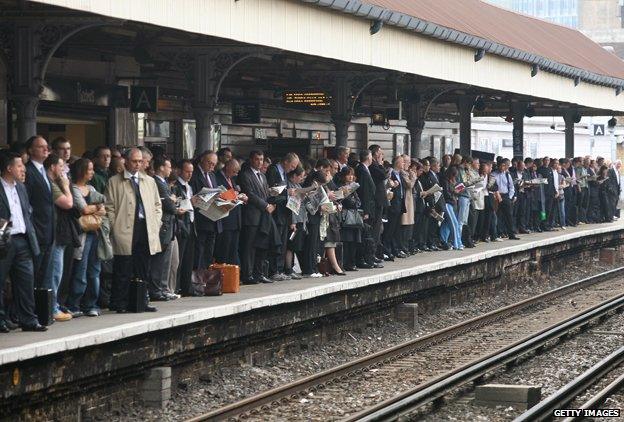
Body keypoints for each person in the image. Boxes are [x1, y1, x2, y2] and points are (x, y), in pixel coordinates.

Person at [106, 148, 161, 313]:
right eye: (134, 161)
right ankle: (119, 302)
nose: (138, 165)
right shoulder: (114, 181)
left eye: (140, 161)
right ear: (126, 161)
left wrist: (155, 223)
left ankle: (141, 300)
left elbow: (158, 205)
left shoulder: (149, 181)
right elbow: (109, 206)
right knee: (123, 267)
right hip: (124, 228)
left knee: (143, 266)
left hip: (145, 227)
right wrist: (114, 227)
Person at [0, 151, 46, 332]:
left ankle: (28, 319)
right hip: (4, 240)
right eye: (19, 165)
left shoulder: (21, 187)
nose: (23, 169)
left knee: (26, 281)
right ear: (9, 168)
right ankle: (1, 320)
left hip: (23, 240)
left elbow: (26, 213)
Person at [65, 158, 106, 317]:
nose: (92, 172)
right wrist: (95, 208)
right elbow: (83, 208)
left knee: (94, 270)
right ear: (82, 171)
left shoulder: (91, 187)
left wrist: (93, 208)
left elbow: (103, 206)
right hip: (82, 235)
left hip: (94, 233)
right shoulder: (74, 189)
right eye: (89, 169)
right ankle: (74, 303)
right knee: (80, 270)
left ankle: (91, 303)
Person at [43, 153, 74, 322]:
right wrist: (66, 186)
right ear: (53, 167)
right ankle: (52, 307)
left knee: (58, 271)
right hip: (54, 233)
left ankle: (53, 305)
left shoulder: (54, 183)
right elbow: (68, 203)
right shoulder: (52, 184)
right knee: (54, 271)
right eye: (61, 166)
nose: (63, 170)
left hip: (59, 233)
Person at [239, 150, 277, 284]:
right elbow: (250, 194)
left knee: (262, 245)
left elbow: (265, 192)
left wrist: (272, 200)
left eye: (261, 159)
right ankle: (247, 274)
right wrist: (266, 205)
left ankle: (259, 273)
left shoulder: (263, 175)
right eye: (257, 159)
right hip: (252, 215)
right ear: (251, 160)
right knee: (250, 246)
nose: (260, 162)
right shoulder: (245, 175)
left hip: (264, 216)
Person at [24, 135, 55, 291]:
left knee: (44, 275)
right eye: (40, 146)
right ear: (30, 150)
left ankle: (40, 309)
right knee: (33, 275)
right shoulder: (28, 171)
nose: (45, 149)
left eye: (46, 146)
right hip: (37, 230)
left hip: (49, 231)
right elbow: (26, 204)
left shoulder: (44, 171)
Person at [148, 155, 178, 301]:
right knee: (159, 259)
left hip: (168, 226)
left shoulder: (164, 183)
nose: (170, 169)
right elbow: (170, 206)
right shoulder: (158, 183)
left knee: (164, 260)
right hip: (163, 226)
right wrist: (172, 201)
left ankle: (160, 288)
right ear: (161, 167)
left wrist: (172, 200)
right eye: (168, 166)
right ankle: (156, 289)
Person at [266, 153, 300, 281]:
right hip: (276, 211)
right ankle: (273, 270)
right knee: (276, 241)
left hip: (284, 211)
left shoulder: (284, 173)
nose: (293, 169)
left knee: (283, 242)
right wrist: (287, 192)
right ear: (285, 161)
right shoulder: (273, 170)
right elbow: (272, 190)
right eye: (292, 166)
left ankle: (279, 269)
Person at [190, 151, 222, 270]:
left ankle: (206, 278)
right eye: (209, 163)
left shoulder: (212, 175)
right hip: (201, 218)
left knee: (209, 252)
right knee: (199, 251)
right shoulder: (194, 174)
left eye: (214, 164)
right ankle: (197, 279)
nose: (212, 166)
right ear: (202, 160)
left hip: (213, 218)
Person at [215, 158, 247, 265]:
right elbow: (219, 195)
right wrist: (235, 195)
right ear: (227, 167)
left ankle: (232, 276)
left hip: (235, 220)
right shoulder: (217, 177)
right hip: (225, 220)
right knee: (224, 250)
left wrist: (240, 196)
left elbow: (233, 192)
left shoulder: (231, 179)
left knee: (233, 250)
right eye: (234, 171)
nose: (235, 174)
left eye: (237, 172)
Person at [354, 150, 381, 269]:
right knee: (366, 235)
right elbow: (365, 192)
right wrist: (365, 211)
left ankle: (369, 257)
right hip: (366, 208)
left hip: (369, 207)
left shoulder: (365, 169)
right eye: (371, 157)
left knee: (369, 234)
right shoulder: (362, 170)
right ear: (368, 158)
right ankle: (365, 259)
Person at [173, 159, 195, 296]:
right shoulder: (176, 186)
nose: (189, 174)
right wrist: (190, 202)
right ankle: (176, 287)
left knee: (188, 258)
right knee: (179, 259)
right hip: (181, 225)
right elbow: (177, 204)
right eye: (187, 171)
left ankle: (186, 287)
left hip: (191, 223)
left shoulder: (189, 186)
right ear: (180, 171)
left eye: (191, 172)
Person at [336, 167, 362, 271]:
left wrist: (353, 200)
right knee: (347, 240)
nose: (351, 177)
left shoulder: (353, 188)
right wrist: (347, 195)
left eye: (352, 174)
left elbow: (358, 202)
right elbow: (347, 202)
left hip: (354, 215)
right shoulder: (340, 187)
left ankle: (352, 262)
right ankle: (346, 263)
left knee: (354, 240)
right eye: (348, 174)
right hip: (346, 215)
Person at [383, 156, 407, 258]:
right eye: (402, 163)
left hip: (399, 203)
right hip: (393, 205)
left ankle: (394, 249)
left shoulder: (399, 174)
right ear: (397, 163)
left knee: (396, 229)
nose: (404, 165)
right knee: (390, 229)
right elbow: (388, 187)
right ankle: (387, 250)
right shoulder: (391, 173)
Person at [492, 159, 520, 240]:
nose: (502, 167)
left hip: (505, 196)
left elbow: (511, 187)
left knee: (509, 216)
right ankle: (497, 233)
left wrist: (510, 197)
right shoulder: (493, 174)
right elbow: (491, 186)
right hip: (496, 196)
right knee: (497, 215)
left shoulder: (508, 175)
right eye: (501, 165)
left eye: (504, 166)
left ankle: (511, 234)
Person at [440, 166, 463, 250]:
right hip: (447, 203)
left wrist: (457, 191)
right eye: (454, 175)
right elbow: (446, 193)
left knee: (446, 223)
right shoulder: (445, 181)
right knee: (454, 224)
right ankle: (457, 243)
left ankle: (443, 240)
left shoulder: (453, 181)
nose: (455, 177)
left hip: (452, 203)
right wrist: (454, 192)